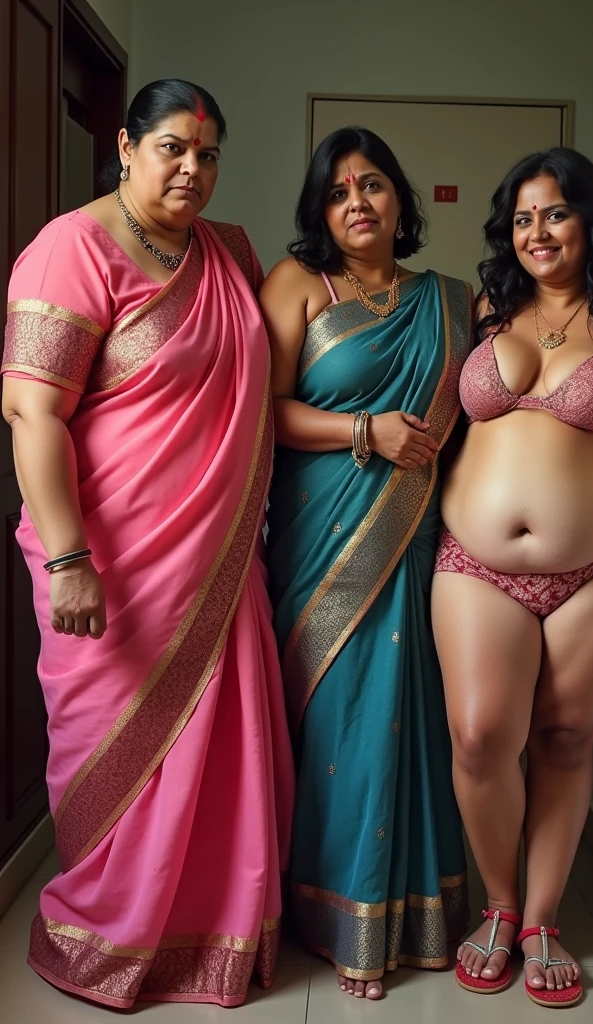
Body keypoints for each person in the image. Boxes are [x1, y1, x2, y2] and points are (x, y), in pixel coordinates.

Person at [1, 78, 294, 1009]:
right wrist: (68, 558)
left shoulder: (231, 253)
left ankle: (210, 940)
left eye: (208, 154)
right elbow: (31, 412)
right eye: (172, 147)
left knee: (224, 754)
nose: (192, 170)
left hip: (218, 558)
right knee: (117, 754)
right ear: (125, 146)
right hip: (112, 564)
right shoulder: (71, 248)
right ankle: (108, 938)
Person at [432, 147, 593, 1008]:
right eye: (524, 217)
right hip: (474, 562)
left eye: (558, 213)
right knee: (478, 737)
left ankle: (540, 919)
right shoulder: (480, 311)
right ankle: (498, 903)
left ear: (590, 223)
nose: (539, 232)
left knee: (567, 737)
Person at [259, 126, 472, 1000]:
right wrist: (365, 430)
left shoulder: (453, 301)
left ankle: (417, 912)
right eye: (339, 190)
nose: (358, 202)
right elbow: (263, 411)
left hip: (416, 536)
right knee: (341, 722)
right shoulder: (297, 286)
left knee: (412, 710)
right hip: (322, 535)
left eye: (374, 184)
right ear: (320, 208)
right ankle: (335, 911)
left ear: (400, 199)